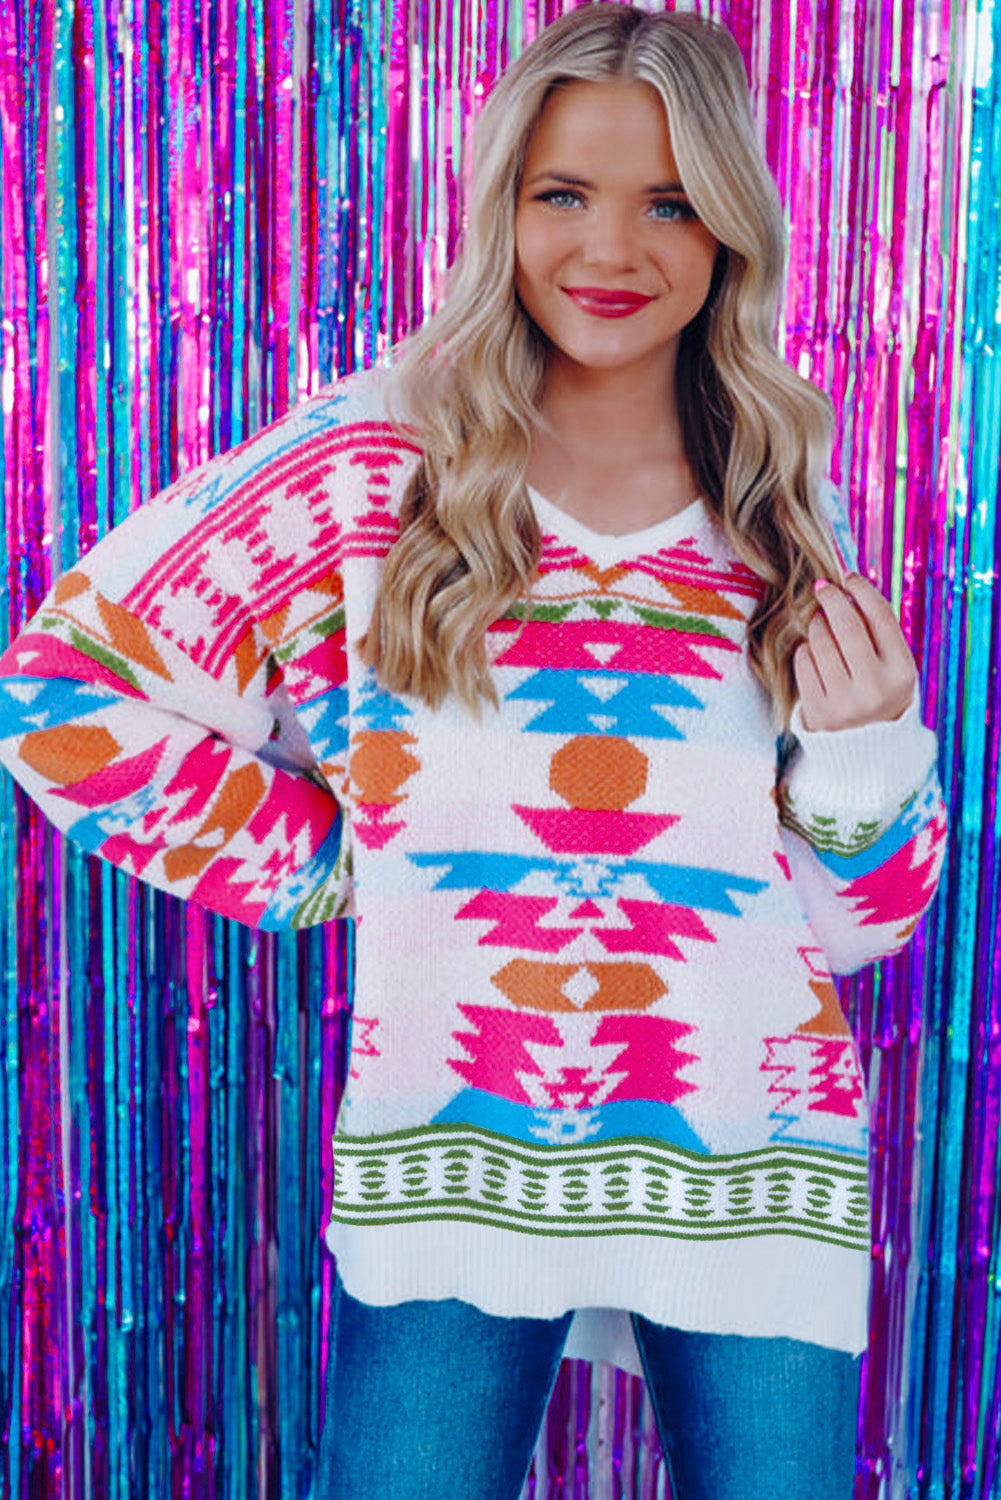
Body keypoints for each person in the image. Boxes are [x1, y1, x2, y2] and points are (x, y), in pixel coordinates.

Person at [0, 5, 946, 1497]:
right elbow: (67, 694)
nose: (609, 249)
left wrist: (863, 758)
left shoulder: (775, 496)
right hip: (449, 1156)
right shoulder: (372, 467)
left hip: (758, 1171)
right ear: (501, 203)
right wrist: (338, 865)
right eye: (562, 193)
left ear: (729, 230)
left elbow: (852, 927)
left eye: (669, 203)